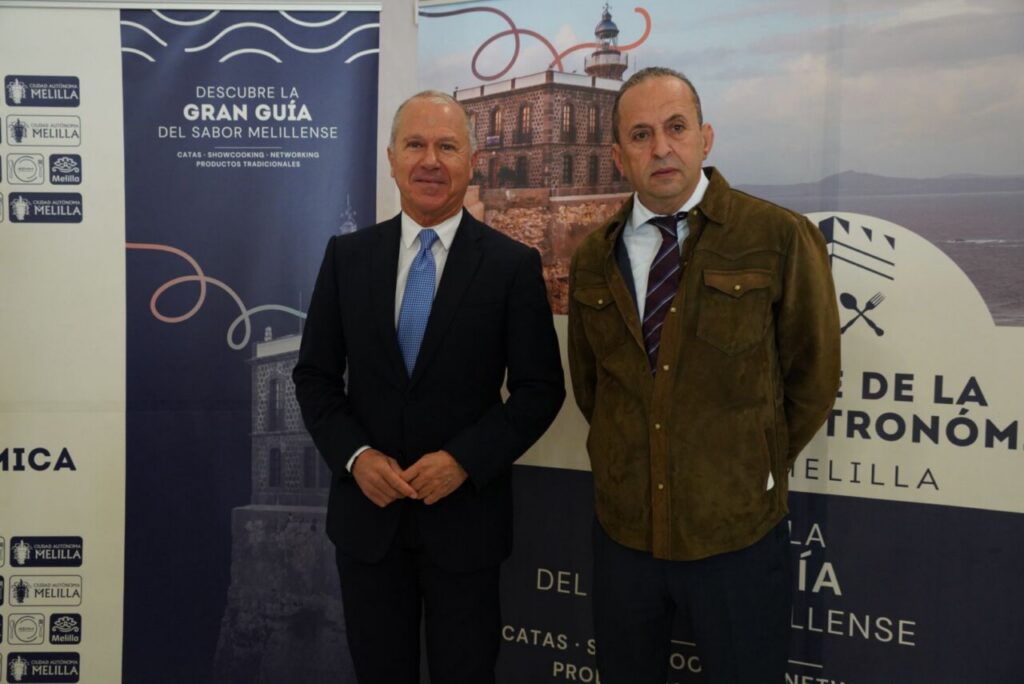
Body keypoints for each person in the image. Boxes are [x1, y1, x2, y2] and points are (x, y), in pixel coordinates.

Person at [567, 67, 841, 683]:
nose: (661, 148)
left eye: (676, 127)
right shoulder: (592, 258)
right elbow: (594, 389)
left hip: (736, 537)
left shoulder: (777, 237)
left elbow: (813, 377)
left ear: (705, 137)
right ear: (618, 156)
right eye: (640, 135)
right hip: (625, 538)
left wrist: (747, 463)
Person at [294, 90, 565, 684]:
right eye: (415, 145)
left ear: (473, 162)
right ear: (392, 159)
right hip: (369, 524)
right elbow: (314, 376)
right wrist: (356, 456)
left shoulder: (511, 266)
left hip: (466, 528)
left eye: (447, 146)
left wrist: (464, 460)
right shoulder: (346, 258)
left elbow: (540, 389)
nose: (430, 161)